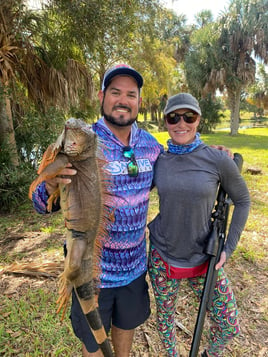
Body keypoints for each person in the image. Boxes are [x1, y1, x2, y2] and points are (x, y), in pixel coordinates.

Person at [31, 65, 231, 357]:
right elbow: (39, 204)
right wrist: (50, 188)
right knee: (95, 346)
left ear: (139, 101)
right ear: (102, 96)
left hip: (135, 270)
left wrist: (212, 156)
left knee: (123, 344)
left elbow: (179, 168)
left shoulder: (150, 146)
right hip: (92, 272)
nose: (123, 100)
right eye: (115, 92)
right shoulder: (79, 141)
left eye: (131, 94)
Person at [147, 93, 250, 357]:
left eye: (188, 116)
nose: (181, 123)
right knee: (166, 323)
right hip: (163, 257)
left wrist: (229, 247)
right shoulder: (159, 160)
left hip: (204, 258)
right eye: (174, 117)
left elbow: (243, 199)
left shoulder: (218, 160)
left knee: (229, 325)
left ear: (198, 120)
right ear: (166, 122)